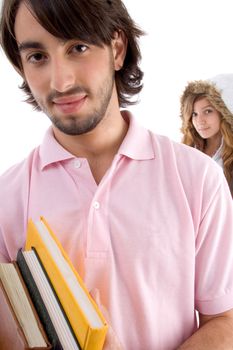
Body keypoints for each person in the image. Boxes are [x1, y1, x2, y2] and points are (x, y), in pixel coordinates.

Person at [1, 1, 233, 349]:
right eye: (37, 56)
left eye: (78, 47)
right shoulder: (8, 197)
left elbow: (224, 320)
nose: (60, 81)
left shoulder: (198, 179)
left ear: (117, 49)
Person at [180, 74, 233, 197]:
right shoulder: (185, 151)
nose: (200, 121)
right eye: (194, 114)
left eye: (208, 111)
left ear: (223, 113)